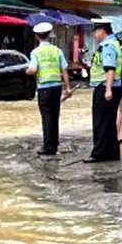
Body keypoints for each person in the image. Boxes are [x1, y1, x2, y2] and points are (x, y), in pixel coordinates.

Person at [26, 22, 73, 157]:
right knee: (55, 115)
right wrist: (68, 88)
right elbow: (64, 70)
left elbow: (33, 69)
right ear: (49, 34)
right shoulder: (57, 50)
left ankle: (48, 147)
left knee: (47, 117)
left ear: (37, 36)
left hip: (44, 89)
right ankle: (54, 143)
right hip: (56, 87)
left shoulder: (35, 52)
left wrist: (27, 71)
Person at [84, 19, 122, 163]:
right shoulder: (113, 44)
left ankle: (99, 153)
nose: (95, 34)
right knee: (108, 121)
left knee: (101, 121)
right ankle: (112, 153)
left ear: (103, 31)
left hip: (106, 87)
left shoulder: (108, 46)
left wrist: (108, 89)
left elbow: (110, 68)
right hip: (111, 86)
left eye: (96, 31)